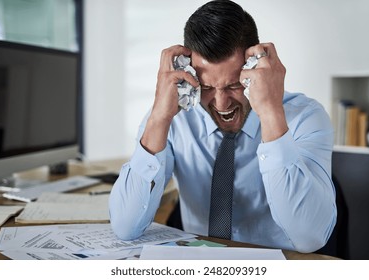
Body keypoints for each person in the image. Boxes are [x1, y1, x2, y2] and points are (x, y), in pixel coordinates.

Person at [109, 0, 336, 253]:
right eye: (206, 88)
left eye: (233, 86)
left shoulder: (305, 117)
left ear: (255, 69)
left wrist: (271, 113)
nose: (220, 102)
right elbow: (125, 227)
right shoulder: (174, 117)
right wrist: (158, 118)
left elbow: (310, 238)